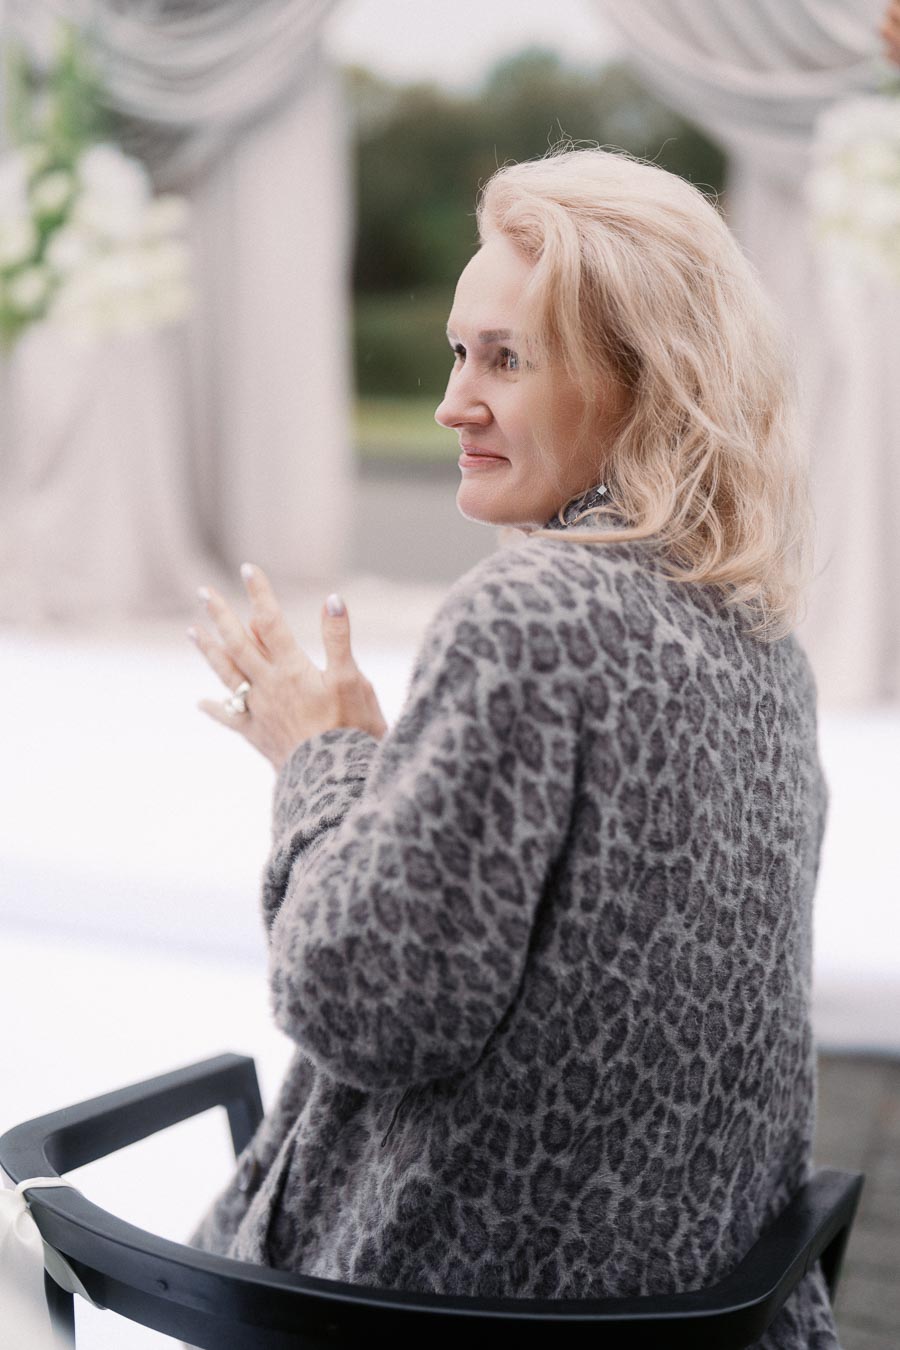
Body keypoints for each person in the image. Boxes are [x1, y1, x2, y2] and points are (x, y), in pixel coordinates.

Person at [183, 143, 834, 1348]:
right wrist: (387, 771)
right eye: (455, 352)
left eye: (505, 360)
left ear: (644, 383)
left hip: (457, 1301)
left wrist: (317, 756)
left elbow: (362, 1003)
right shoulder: (757, 647)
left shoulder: (532, 614)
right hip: (676, 1295)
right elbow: (564, 941)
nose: (452, 403)